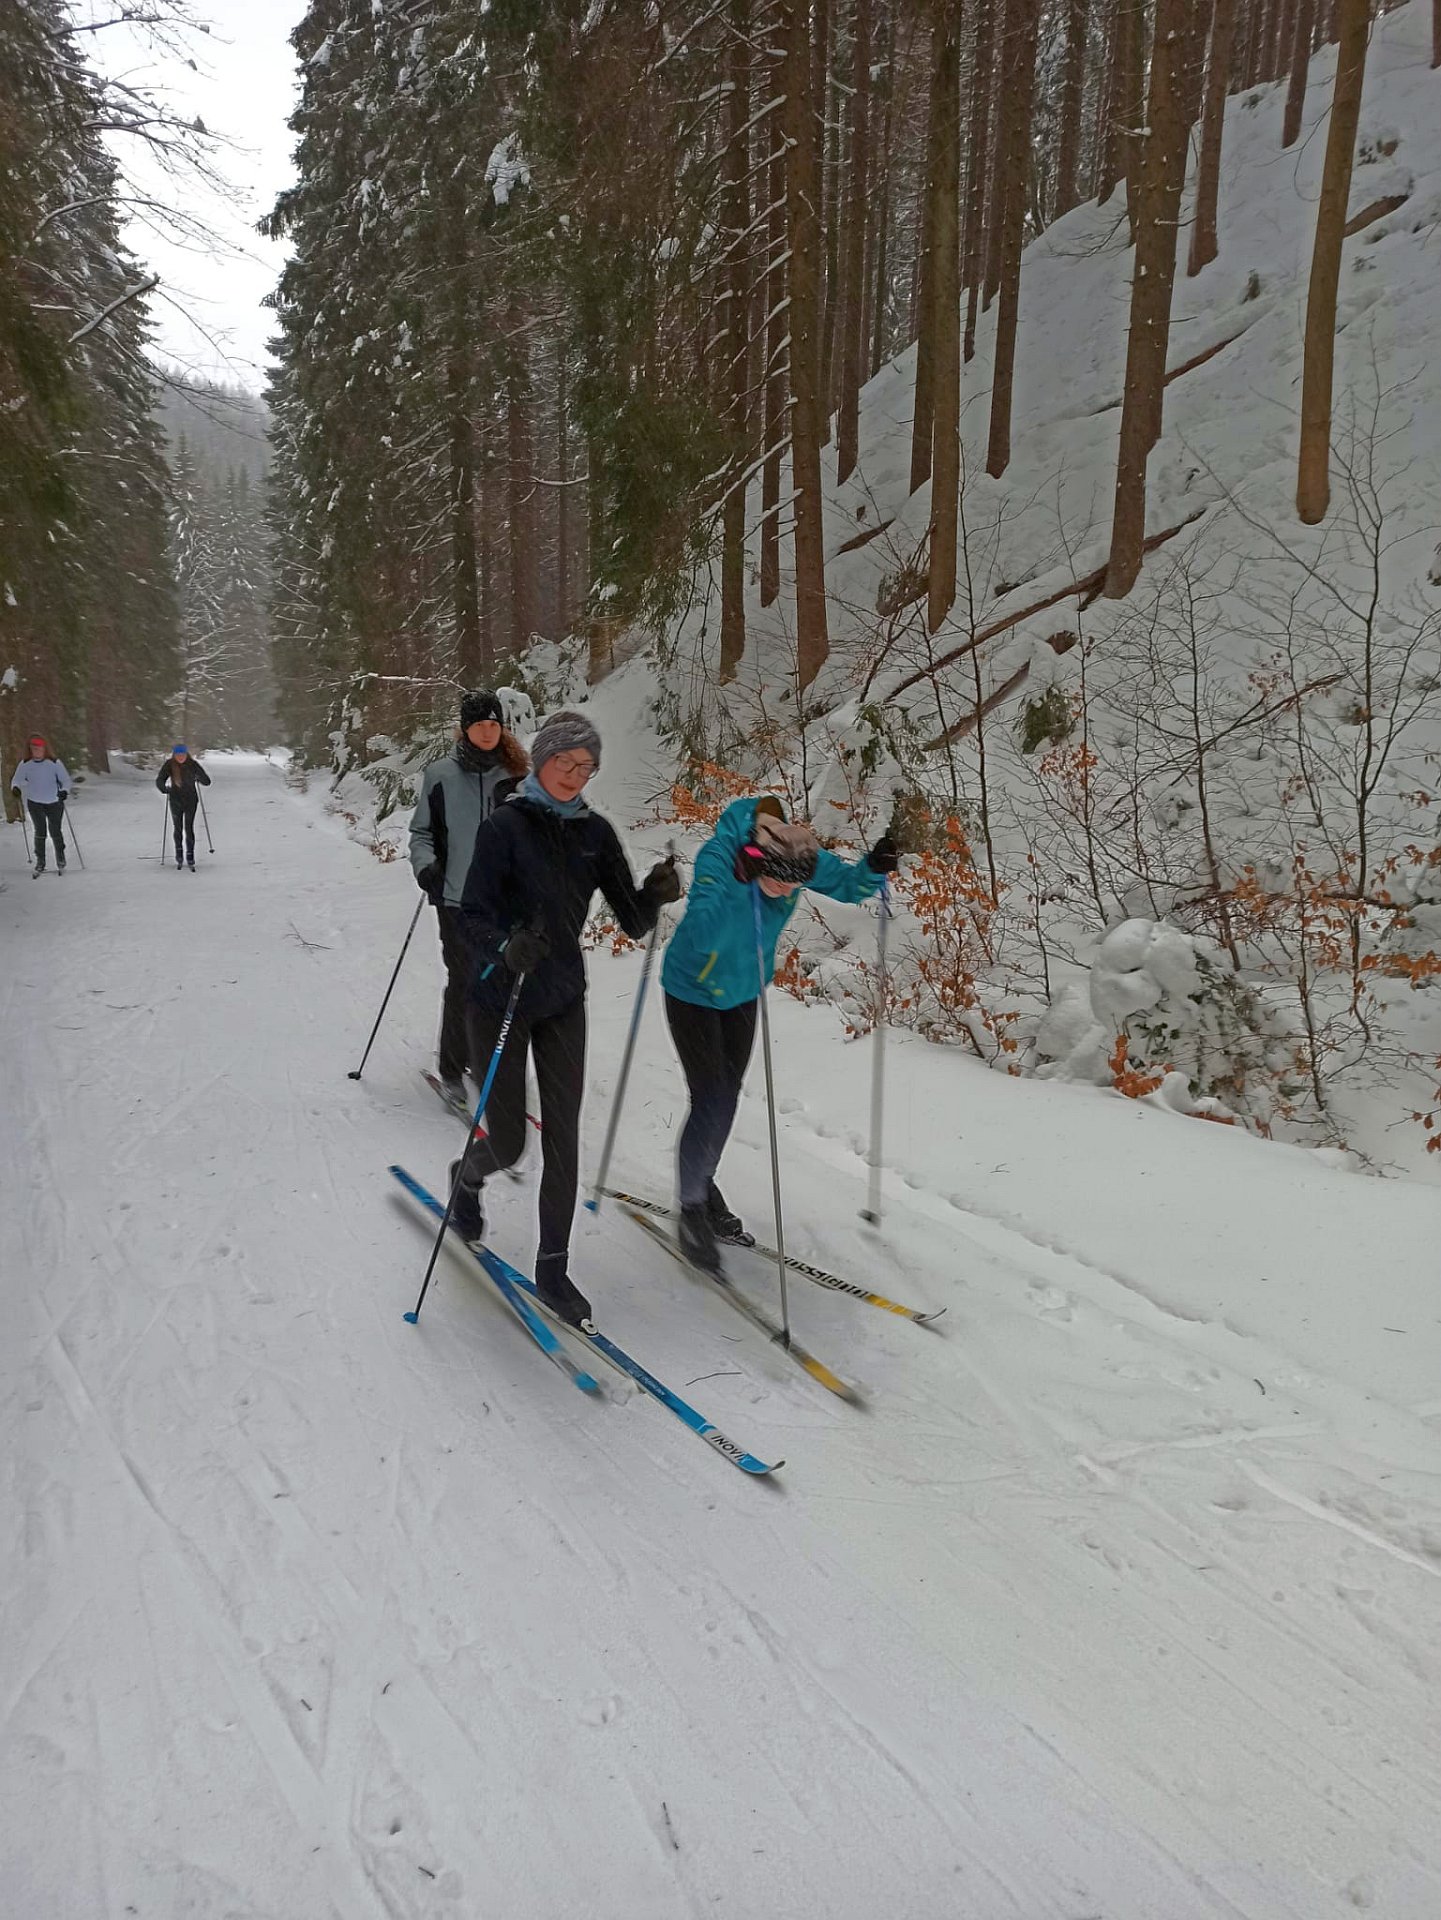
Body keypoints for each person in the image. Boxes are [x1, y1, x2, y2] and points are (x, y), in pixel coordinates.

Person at [451, 710, 682, 1326]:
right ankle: (466, 1179)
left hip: (560, 999)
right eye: (566, 762)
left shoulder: (595, 833)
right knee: (507, 1143)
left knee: (563, 1137)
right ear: (542, 759)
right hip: (498, 998)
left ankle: (553, 1267)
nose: (576, 775)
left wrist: (654, 894)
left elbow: (631, 920)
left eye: (587, 767)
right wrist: (506, 947)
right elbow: (470, 916)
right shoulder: (503, 827)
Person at [660, 797, 899, 1274]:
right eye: (778, 881)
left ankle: (703, 1183)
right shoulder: (719, 856)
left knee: (727, 1096)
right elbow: (703, 931)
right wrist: (738, 883)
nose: (785, 890)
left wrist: (873, 867)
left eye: (794, 884)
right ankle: (691, 1207)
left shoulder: (794, 854)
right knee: (710, 1099)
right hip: (693, 989)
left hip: (743, 991)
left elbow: (846, 884)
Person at [408, 690, 529, 1108]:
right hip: (456, 898)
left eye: (494, 725)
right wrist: (426, 867)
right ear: (465, 729)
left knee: (497, 980)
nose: (488, 732)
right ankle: (451, 1068)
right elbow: (421, 832)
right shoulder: (440, 775)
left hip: (503, 900)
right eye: (480, 725)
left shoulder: (515, 775)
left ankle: (483, 1059)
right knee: (463, 979)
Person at [11, 735, 74, 876]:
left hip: (54, 802)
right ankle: (40, 862)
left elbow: (66, 780)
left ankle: (61, 859)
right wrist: (15, 788)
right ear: (30, 749)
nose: (37, 751)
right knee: (40, 832)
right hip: (35, 803)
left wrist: (64, 791)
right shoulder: (25, 764)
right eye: (34, 748)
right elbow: (16, 780)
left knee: (55, 831)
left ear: (45, 748)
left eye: (39, 748)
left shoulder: (54, 763)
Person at [156, 745, 211, 870]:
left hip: (191, 800)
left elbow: (207, 781)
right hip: (175, 800)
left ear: (187, 755)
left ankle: (190, 855)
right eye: (178, 755)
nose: (180, 757)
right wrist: (164, 789)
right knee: (178, 827)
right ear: (174, 755)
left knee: (189, 827)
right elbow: (159, 780)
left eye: (183, 755)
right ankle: (179, 853)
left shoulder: (193, 764)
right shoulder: (169, 765)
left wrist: (199, 778)